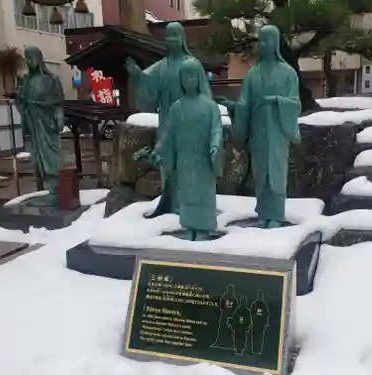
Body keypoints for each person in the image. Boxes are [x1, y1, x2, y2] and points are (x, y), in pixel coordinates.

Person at [126, 22, 211, 217]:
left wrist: (203, 114)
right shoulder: (161, 67)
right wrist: (137, 74)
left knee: (188, 162)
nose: (171, 40)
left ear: (182, 39)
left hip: (190, 122)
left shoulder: (192, 64)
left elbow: (206, 94)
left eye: (175, 36)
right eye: (168, 36)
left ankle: (190, 202)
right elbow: (149, 86)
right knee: (168, 161)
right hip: (167, 121)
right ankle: (170, 202)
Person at [223, 25, 301, 228]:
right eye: (261, 41)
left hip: (277, 131)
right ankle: (264, 213)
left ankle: (276, 214)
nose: (263, 45)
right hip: (259, 131)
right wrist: (234, 107)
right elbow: (244, 104)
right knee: (261, 172)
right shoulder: (252, 75)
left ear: (275, 43)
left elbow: (295, 102)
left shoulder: (288, 73)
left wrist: (277, 101)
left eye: (268, 40)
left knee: (276, 170)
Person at [155, 58, 223, 241]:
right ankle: (190, 226)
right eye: (184, 76)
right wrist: (159, 149)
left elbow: (217, 129)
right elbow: (168, 134)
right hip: (184, 159)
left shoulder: (210, 107)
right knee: (186, 194)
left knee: (202, 194)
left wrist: (215, 146)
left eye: (192, 75)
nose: (188, 80)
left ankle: (203, 228)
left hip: (203, 160)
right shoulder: (176, 108)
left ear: (199, 78)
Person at [16, 46, 64, 206]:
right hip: (33, 122)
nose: (29, 62)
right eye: (27, 58)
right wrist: (20, 100)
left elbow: (58, 102)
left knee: (50, 154)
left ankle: (57, 189)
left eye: (31, 58)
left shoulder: (51, 79)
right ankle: (48, 188)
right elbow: (22, 103)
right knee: (37, 156)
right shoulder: (27, 81)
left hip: (47, 122)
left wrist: (58, 116)